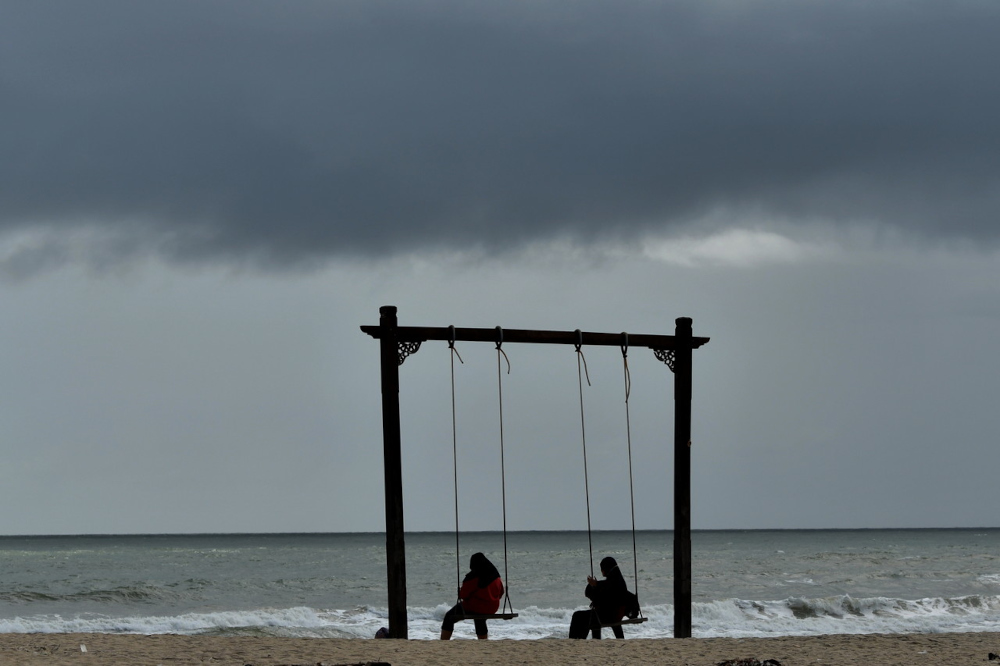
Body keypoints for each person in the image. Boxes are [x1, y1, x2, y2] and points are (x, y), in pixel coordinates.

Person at [568, 556, 638, 639]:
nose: (602, 571)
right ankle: (580, 639)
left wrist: (596, 584)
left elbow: (610, 588)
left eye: (602, 568)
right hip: (612, 614)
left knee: (578, 615)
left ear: (606, 568)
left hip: (609, 615)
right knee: (589, 616)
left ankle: (573, 640)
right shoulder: (617, 579)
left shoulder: (615, 582)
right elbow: (608, 591)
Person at [440, 552, 505, 640]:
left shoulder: (473, 577)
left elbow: (463, 595)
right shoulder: (496, 576)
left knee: (449, 616)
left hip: (475, 607)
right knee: (480, 618)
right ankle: (483, 640)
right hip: (492, 607)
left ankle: (444, 641)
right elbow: (501, 592)